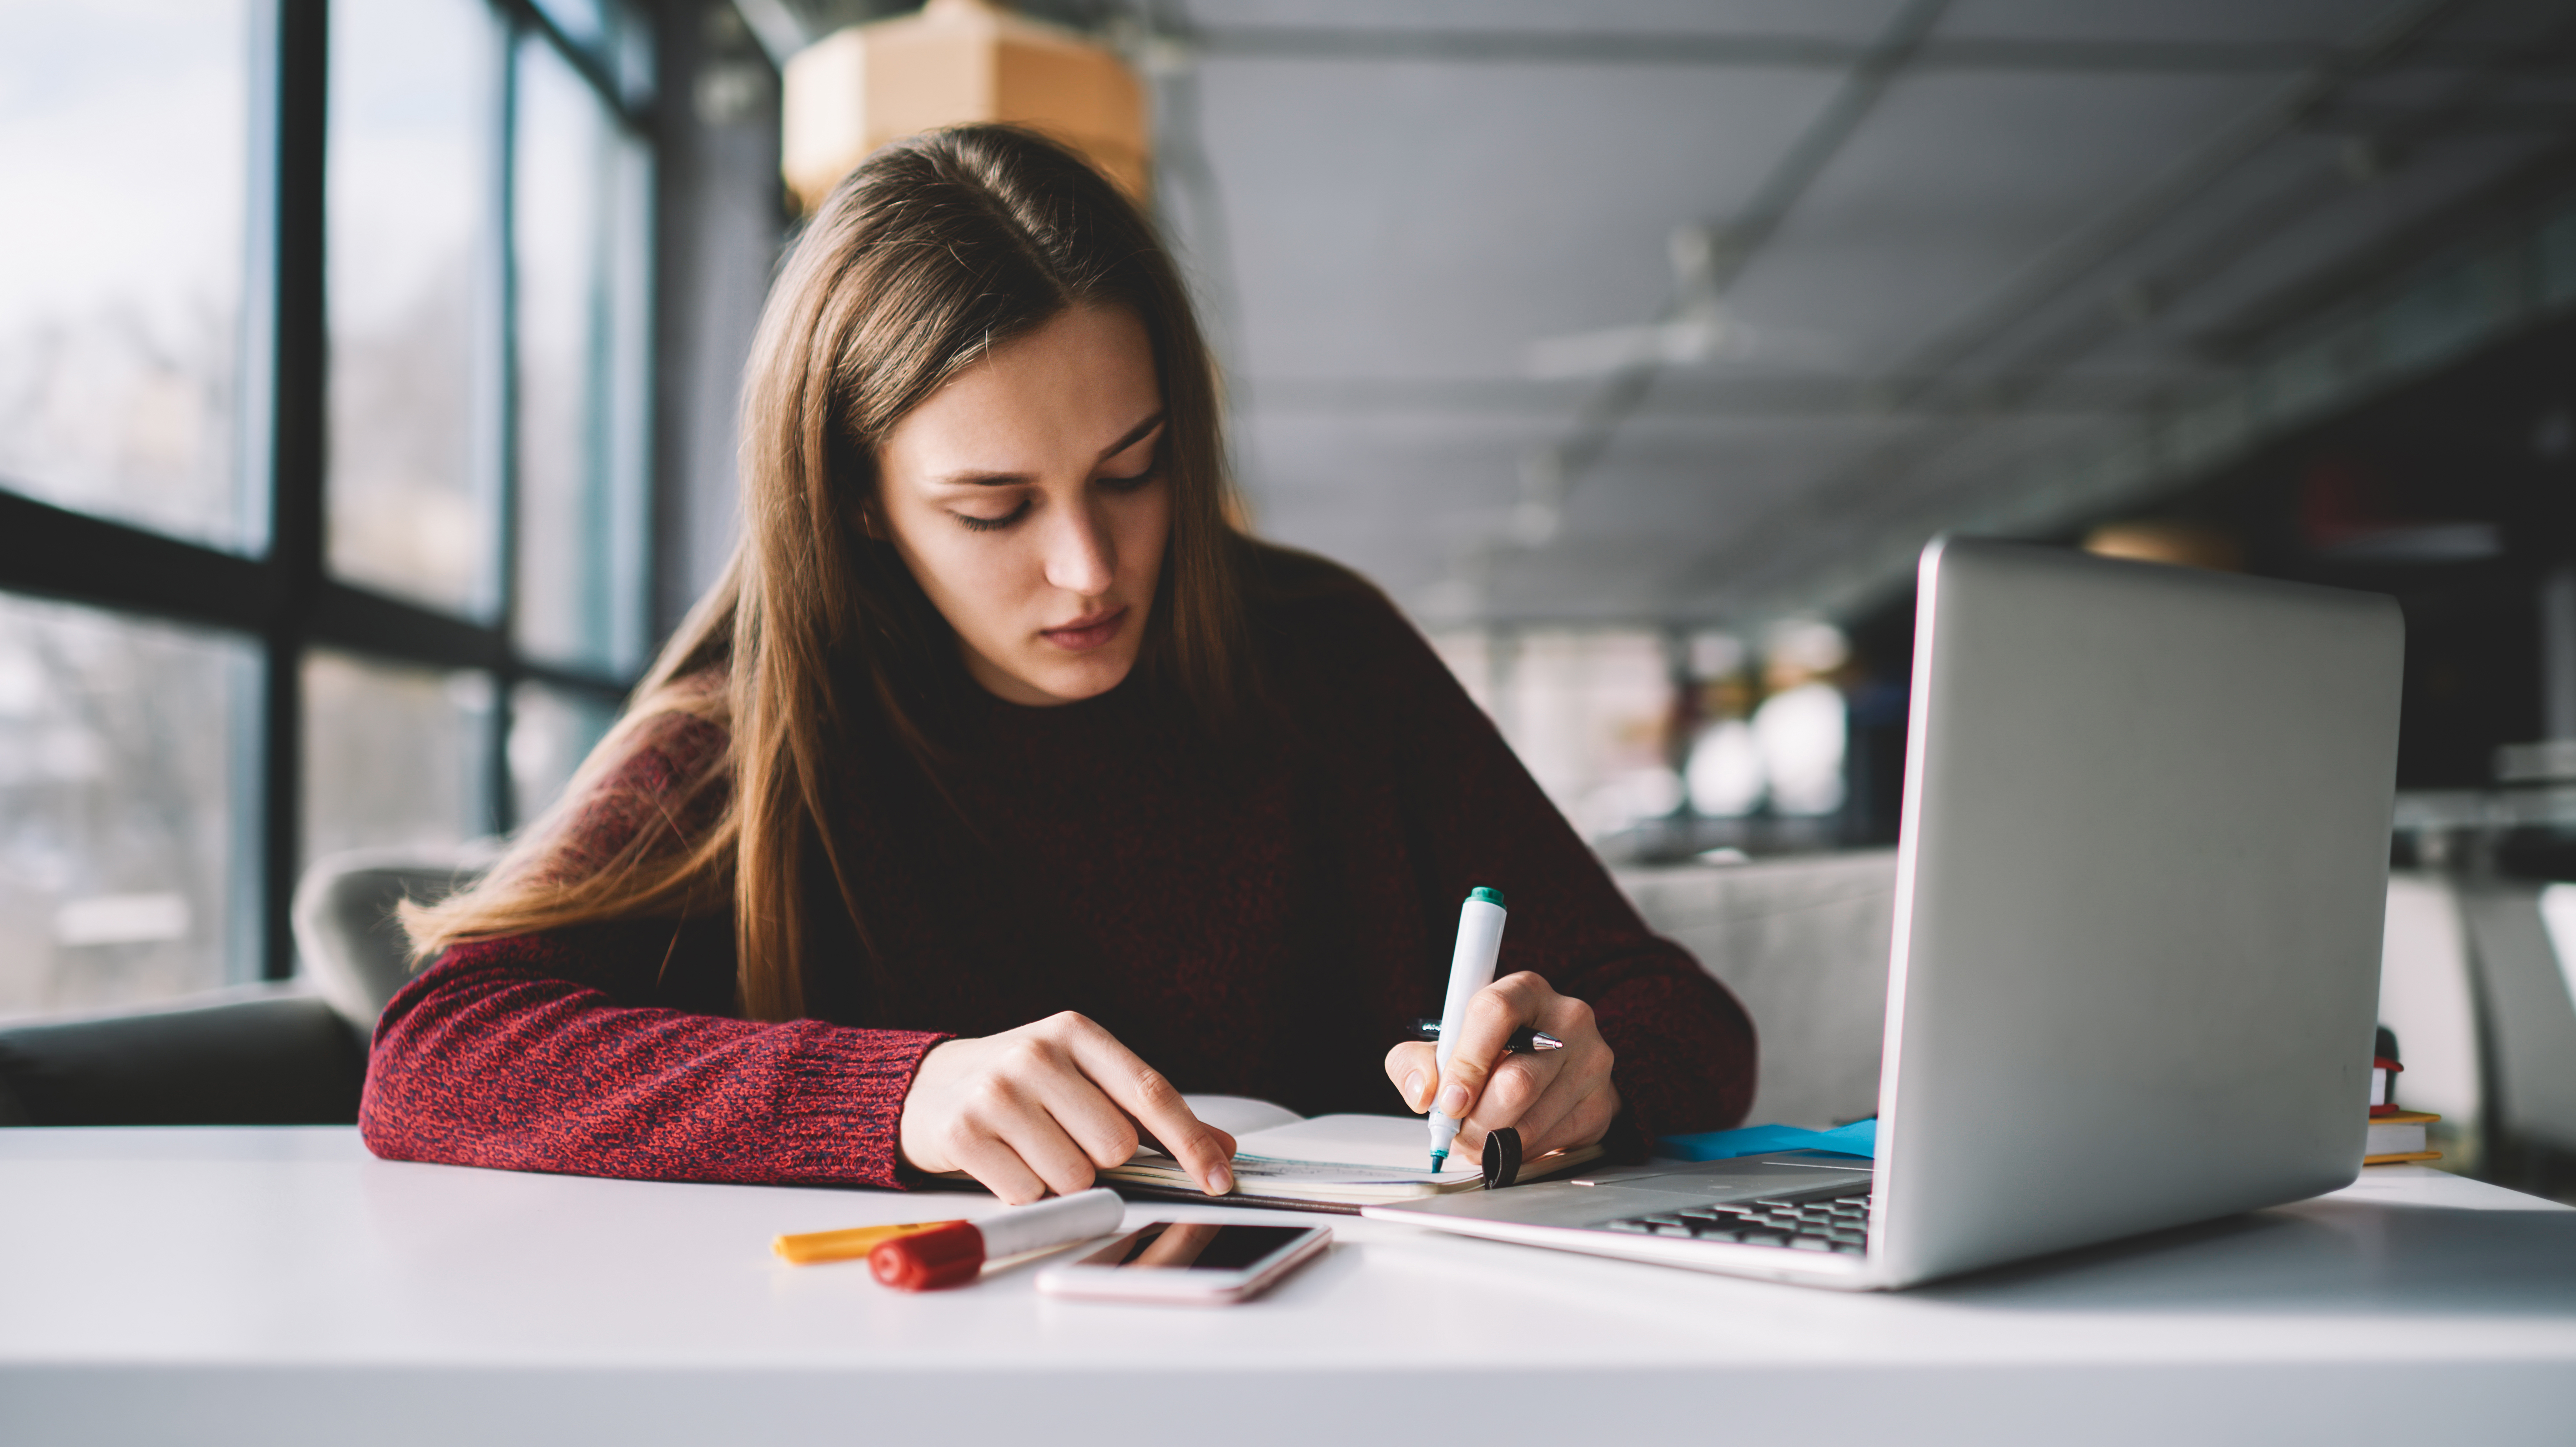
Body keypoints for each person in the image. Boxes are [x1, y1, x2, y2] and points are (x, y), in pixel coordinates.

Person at [364, 125, 1755, 1206]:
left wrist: (1576, 1072)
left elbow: (1682, 1014)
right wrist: (900, 1093)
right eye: (994, 509)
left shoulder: (1326, 654)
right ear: (857, 499)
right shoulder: (752, 729)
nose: (1091, 566)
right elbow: (434, 1052)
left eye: (1132, 472)